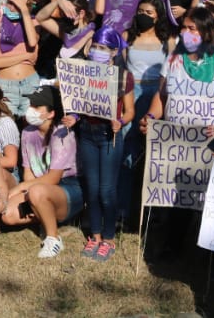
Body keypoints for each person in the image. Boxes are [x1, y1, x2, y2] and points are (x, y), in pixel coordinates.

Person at [0, 86, 84, 258]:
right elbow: (28, 171)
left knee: (36, 191)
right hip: (38, 187)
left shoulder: (62, 134)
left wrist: (21, 188)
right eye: (31, 104)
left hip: (69, 187)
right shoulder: (27, 132)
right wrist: (23, 191)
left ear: (51, 113)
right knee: (7, 215)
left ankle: (53, 238)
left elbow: (53, 178)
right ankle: (42, 213)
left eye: (37, 107)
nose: (30, 109)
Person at [73, 28, 135, 262]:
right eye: (95, 47)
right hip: (87, 134)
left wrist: (120, 122)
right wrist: (74, 118)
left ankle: (109, 237)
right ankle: (95, 235)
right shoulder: (84, 72)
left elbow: (130, 111)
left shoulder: (122, 77)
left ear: (114, 52)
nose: (98, 51)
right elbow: (78, 103)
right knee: (92, 188)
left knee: (107, 191)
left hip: (110, 136)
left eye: (103, 48)